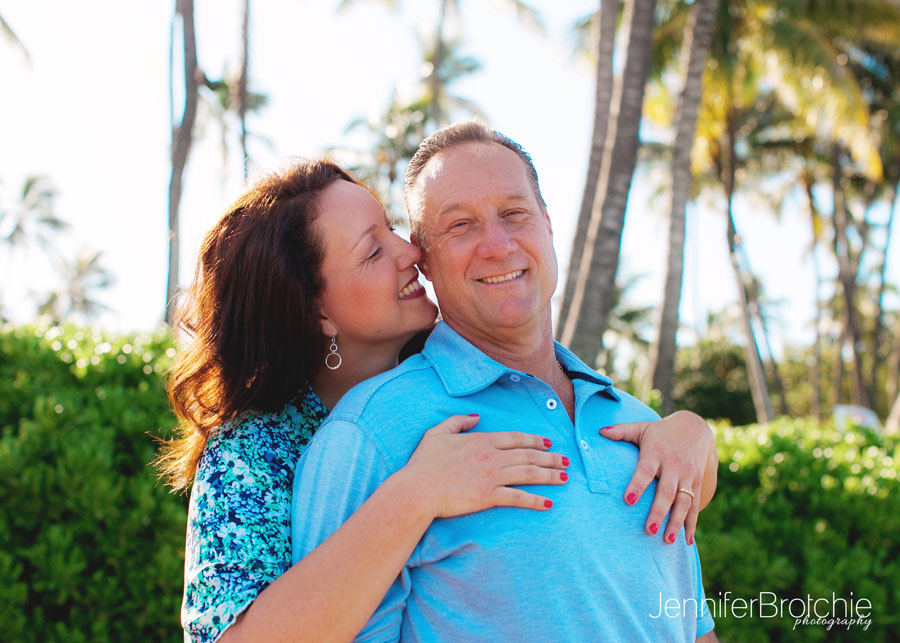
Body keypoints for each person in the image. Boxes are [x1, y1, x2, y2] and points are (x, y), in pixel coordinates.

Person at [158, 158, 716, 642]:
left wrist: (690, 427)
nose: (410, 252)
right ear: (318, 314)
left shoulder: (467, 379)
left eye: (393, 229)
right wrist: (415, 496)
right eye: (374, 250)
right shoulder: (258, 449)